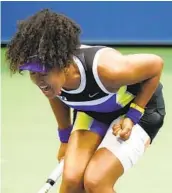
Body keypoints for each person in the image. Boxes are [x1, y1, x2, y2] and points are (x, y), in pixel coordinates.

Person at [6, 9, 166, 193]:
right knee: (72, 182)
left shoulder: (107, 69)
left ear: (63, 63)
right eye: (33, 73)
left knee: (96, 181)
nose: (39, 81)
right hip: (94, 112)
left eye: (43, 73)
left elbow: (155, 65)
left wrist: (133, 114)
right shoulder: (52, 82)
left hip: (138, 109)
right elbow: (56, 96)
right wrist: (65, 140)